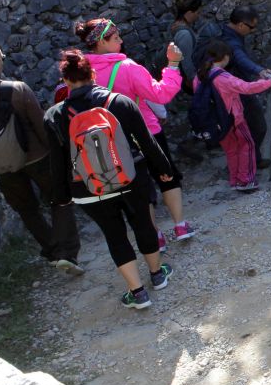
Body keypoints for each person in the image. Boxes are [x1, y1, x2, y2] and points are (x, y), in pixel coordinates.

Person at [43, 50, 174, 309]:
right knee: (143, 224)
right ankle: (157, 275)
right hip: (131, 178)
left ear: (65, 81)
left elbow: (57, 163)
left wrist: (62, 196)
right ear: (92, 74)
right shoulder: (119, 102)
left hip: (88, 188)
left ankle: (137, 293)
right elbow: (146, 142)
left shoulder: (54, 116)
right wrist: (163, 169)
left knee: (114, 235)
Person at [0, 41, 81, 273]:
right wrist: (58, 155)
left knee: (27, 209)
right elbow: (42, 127)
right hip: (37, 157)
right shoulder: (17, 89)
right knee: (60, 199)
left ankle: (52, 251)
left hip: (1, 166)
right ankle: (67, 252)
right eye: (1, 58)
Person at [77, 18, 195, 249]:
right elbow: (160, 94)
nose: (121, 41)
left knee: (140, 187)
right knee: (167, 175)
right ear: (101, 42)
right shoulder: (127, 67)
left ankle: (154, 236)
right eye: (116, 37)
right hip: (146, 131)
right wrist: (173, 64)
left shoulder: (82, 72)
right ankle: (180, 225)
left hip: (112, 139)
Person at [197, 41, 271, 192]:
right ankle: (245, 181)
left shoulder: (200, 75)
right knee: (247, 145)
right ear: (225, 57)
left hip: (216, 123)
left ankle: (235, 180)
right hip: (233, 120)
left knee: (231, 150)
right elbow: (246, 87)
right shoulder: (224, 77)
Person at [220, 6, 271, 165]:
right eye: (251, 27)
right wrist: (260, 71)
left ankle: (249, 160)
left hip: (231, 88)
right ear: (241, 25)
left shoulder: (225, 32)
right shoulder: (232, 42)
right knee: (258, 126)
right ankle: (249, 161)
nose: (253, 31)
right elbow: (240, 58)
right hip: (238, 89)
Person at [169, 0, 220, 93]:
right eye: (197, 12)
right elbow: (186, 62)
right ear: (189, 13)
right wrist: (195, 81)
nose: (198, 15)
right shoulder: (184, 34)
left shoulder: (177, 25)